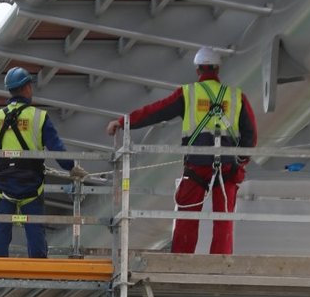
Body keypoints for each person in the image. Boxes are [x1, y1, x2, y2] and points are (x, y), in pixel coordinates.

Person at [106, 47, 257, 255]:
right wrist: (241, 160)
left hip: (197, 165)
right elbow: (250, 133)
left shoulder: (188, 94)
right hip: (227, 167)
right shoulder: (236, 96)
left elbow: (156, 111)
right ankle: (221, 262)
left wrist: (124, 122)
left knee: (187, 216)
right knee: (223, 219)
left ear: (198, 70)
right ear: (217, 69)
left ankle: (181, 259)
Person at [0, 66, 85, 257]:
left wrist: (5, 159)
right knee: (34, 226)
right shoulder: (39, 117)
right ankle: (38, 266)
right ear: (27, 88)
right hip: (31, 182)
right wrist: (72, 168)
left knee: (1, 226)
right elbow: (56, 148)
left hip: (3, 180)